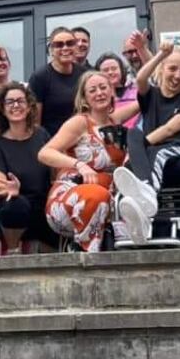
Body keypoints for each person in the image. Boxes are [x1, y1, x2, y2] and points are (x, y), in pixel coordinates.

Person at [112, 43, 180, 244]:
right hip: (153, 153)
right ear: (162, 68)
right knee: (132, 135)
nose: (177, 74)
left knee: (155, 151)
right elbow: (140, 78)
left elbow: (169, 130)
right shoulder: (151, 95)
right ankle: (139, 213)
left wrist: (140, 149)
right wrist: (161, 55)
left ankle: (147, 193)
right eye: (172, 68)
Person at [38, 71, 136, 252]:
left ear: (112, 91)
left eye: (103, 87)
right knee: (97, 195)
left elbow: (149, 96)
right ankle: (84, 251)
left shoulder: (115, 121)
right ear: (84, 99)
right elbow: (44, 153)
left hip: (108, 195)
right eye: (92, 90)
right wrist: (79, 165)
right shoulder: (79, 123)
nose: (99, 93)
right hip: (72, 196)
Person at [0, 83, 55, 254]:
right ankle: (13, 251)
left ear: (30, 106)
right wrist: (11, 189)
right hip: (17, 205)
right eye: (10, 102)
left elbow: (54, 174)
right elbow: (0, 185)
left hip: (43, 204)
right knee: (15, 205)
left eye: (20, 101)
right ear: (2, 109)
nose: (15, 105)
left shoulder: (42, 135)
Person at [28, 27, 81, 136]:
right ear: (51, 50)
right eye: (59, 45)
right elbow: (35, 124)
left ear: (76, 47)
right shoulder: (39, 78)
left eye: (70, 43)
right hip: (52, 143)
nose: (65, 48)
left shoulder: (84, 74)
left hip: (83, 141)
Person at [95, 51, 140, 130]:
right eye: (105, 70)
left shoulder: (136, 90)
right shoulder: (97, 96)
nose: (110, 72)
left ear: (121, 70)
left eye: (114, 69)